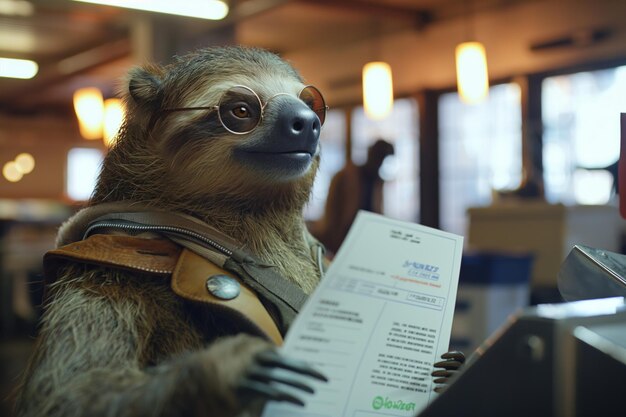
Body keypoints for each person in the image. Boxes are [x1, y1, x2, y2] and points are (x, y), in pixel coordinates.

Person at [311, 139, 394, 255]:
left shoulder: (377, 181)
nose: (379, 162)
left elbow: (378, 212)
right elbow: (332, 211)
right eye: (379, 157)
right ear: (371, 154)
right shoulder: (345, 176)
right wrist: (333, 237)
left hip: (367, 237)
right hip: (343, 237)